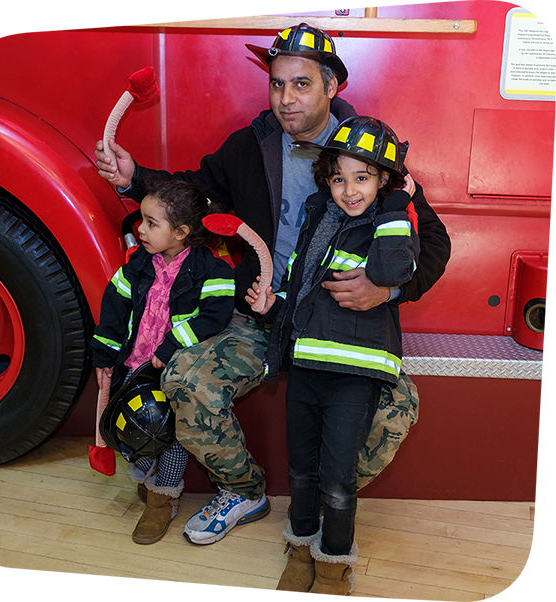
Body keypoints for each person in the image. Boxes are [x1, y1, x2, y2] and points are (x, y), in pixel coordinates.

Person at [94, 23, 451, 546]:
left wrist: (386, 290)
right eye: (277, 84)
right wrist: (135, 177)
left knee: (400, 408)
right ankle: (242, 490)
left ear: (332, 87)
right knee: (184, 381)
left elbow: (434, 242)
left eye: (301, 84)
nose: (286, 98)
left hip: (343, 324)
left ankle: (331, 496)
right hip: (262, 315)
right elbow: (195, 192)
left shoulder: (370, 150)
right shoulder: (251, 143)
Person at [246, 116, 418, 599]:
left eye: (363, 178)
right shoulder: (321, 221)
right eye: (339, 178)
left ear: (383, 179)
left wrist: (397, 202)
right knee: (301, 471)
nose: (349, 190)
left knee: (339, 480)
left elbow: (389, 271)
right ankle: (300, 551)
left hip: (354, 377)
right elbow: (306, 294)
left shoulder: (391, 224)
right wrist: (271, 305)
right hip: (306, 368)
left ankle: (332, 569)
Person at [90, 178, 235, 545]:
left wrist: (171, 346)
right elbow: (113, 310)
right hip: (134, 366)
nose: (139, 229)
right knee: (132, 429)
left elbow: (213, 318)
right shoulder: (136, 266)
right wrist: (105, 354)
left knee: (169, 435)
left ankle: (162, 499)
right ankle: (144, 475)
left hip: (173, 371)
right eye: (142, 219)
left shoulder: (212, 271)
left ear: (182, 233)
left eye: (152, 223)